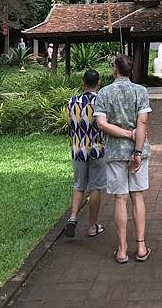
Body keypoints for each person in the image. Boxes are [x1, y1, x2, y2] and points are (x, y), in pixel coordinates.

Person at [94, 55, 152, 264]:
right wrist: (136, 150)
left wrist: (125, 134)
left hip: (115, 152)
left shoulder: (104, 93)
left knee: (120, 198)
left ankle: (122, 249)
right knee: (137, 196)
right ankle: (142, 246)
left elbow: (101, 124)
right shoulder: (141, 91)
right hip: (139, 151)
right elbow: (142, 123)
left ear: (115, 70)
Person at [64, 69, 106, 238]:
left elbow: (69, 124)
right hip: (97, 149)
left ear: (83, 83)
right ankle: (92, 226)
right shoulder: (101, 101)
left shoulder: (72, 101)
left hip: (78, 149)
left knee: (78, 185)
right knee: (95, 187)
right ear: (99, 83)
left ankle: (73, 218)